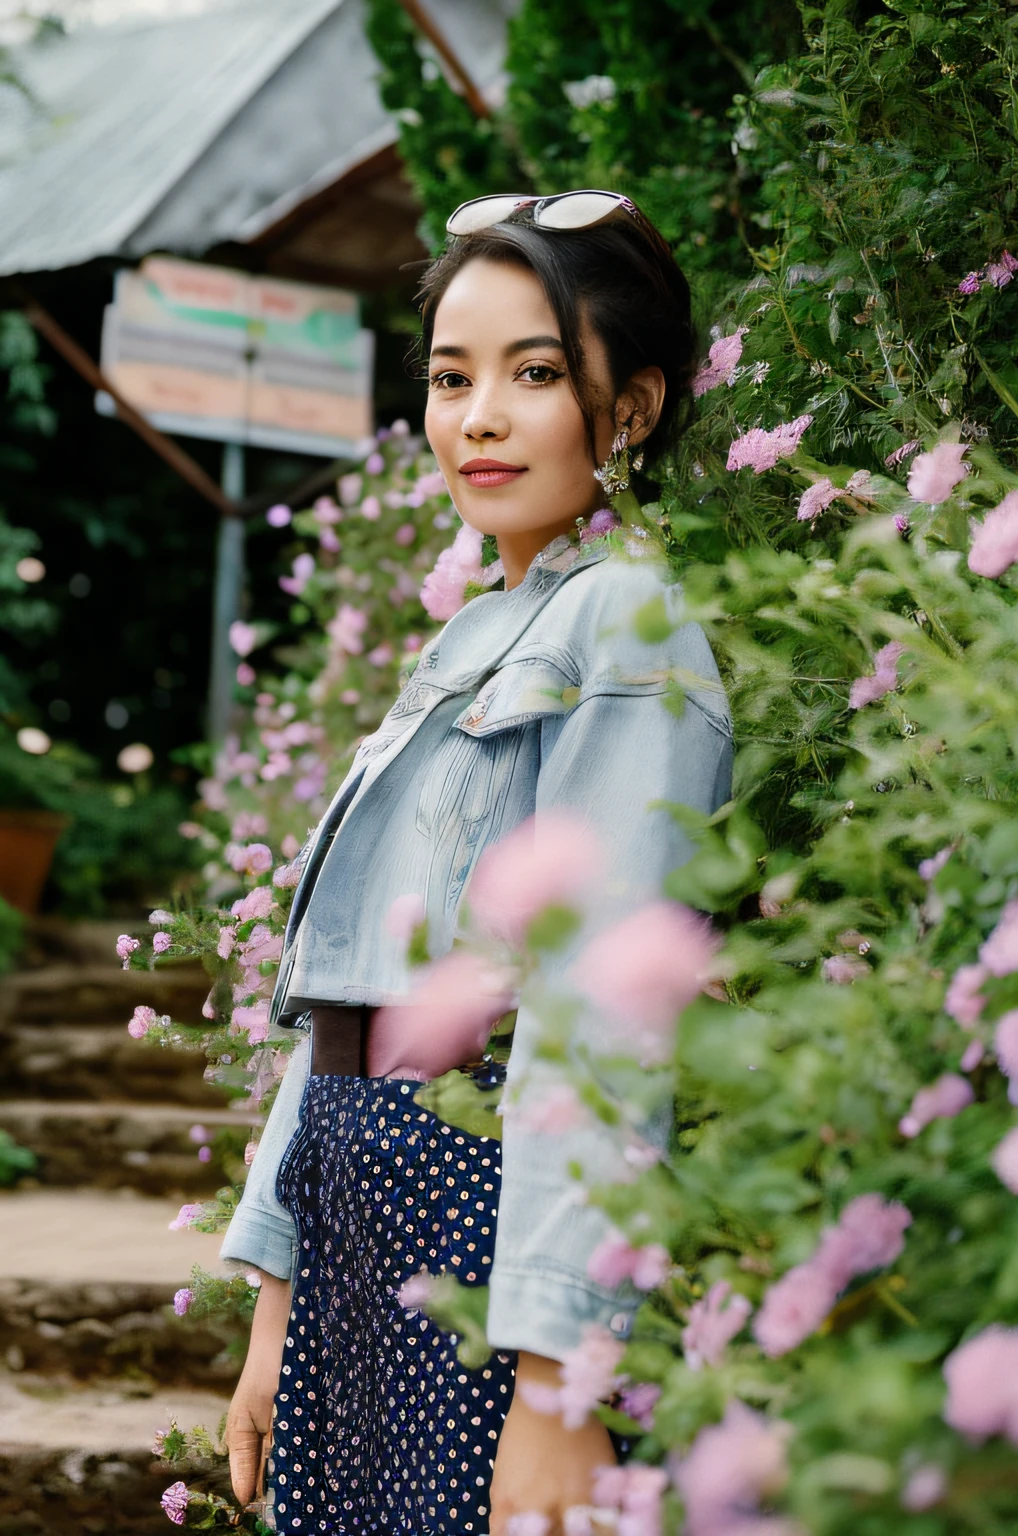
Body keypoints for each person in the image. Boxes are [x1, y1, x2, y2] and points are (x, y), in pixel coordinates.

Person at [220, 190, 733, 1535]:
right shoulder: (473, 643)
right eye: (453, 378)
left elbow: (603, 1013)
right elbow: (346, 997)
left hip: (475, 1232)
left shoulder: (627, 625)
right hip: (359, 1231)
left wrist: (562, 1387)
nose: (479, 417)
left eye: (537, 372)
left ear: (632, 409)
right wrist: (277, 1309)